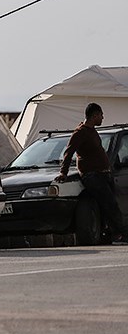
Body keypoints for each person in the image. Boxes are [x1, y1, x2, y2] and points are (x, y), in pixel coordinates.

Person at [55, 103, 127, 245]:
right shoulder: (80, 132)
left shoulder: (92, 131)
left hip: (104, 174)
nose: (103, 118)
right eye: (101, 115)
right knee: (110, 205)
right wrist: (64, 173)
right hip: (93, 176)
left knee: (107, 206)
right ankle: (121, 235)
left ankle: (109, 235)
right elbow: (68, 153)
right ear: (94, 115)